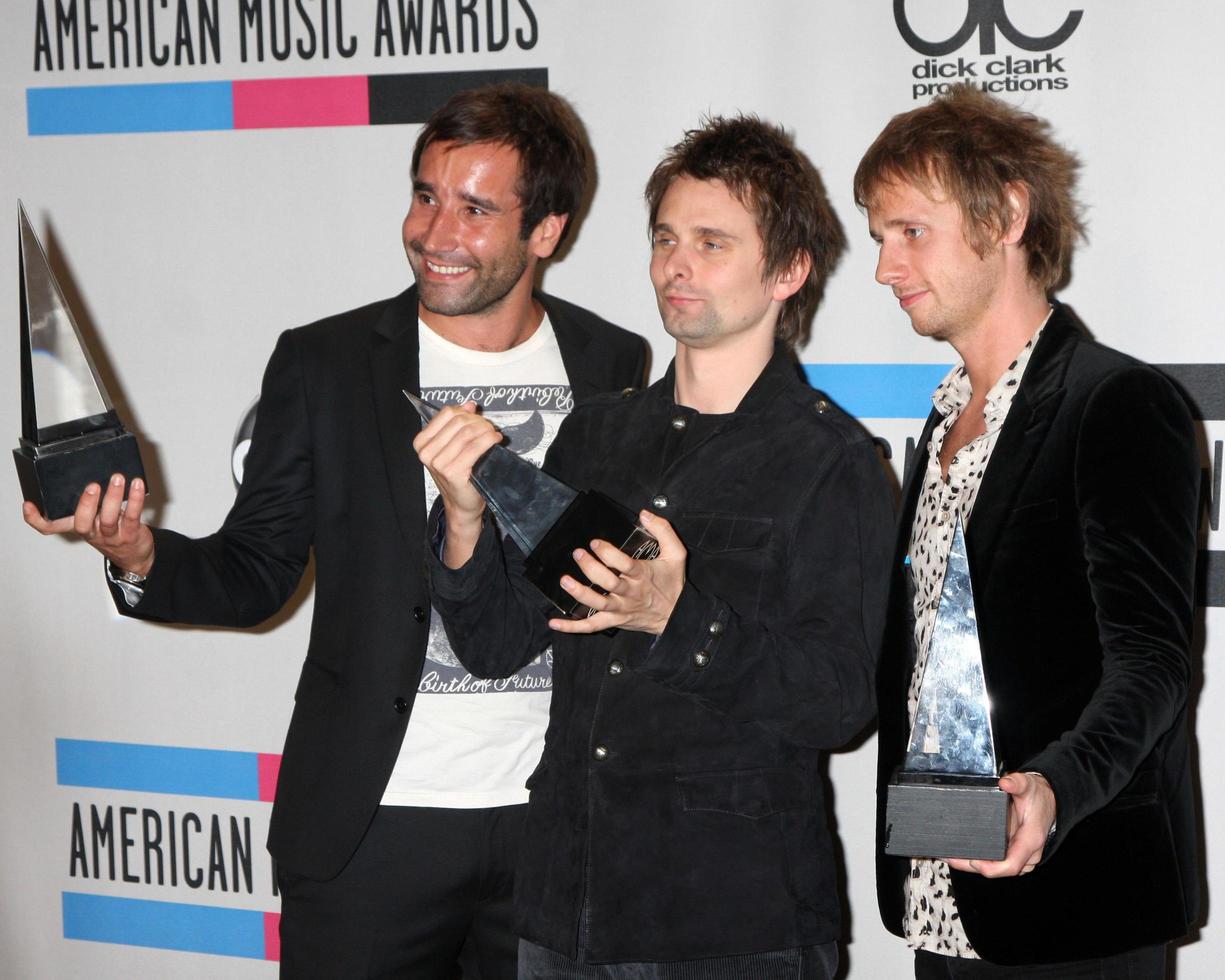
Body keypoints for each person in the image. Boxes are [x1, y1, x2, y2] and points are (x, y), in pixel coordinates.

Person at [24, 82, 647, 979]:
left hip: (557, 822)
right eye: (425, 195)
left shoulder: (610, 359)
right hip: (372, 825)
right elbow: (256, 570)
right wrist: (137, 553)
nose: (435, 234)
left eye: (475, 209)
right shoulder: (326, 362)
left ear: (545, 231)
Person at [415, 114, 893, 978]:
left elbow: (839, 701)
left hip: (727, 922)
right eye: (666, 238)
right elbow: (492, 644)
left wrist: (677, 617)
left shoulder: (831, 463)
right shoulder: (593, 438)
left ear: (788, 271)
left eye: (712, 243)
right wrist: (464, 518)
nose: (675, 265)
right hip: (565, 907)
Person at [856, 84, 1200, 978]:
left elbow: (1153, 662)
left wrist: (1054, 786)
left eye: (911, 231)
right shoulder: (939, 422)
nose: (885, 268)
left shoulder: (1117, 405)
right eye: (879, 237)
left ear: (1006, 213)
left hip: (1075, 900)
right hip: (941, 901)